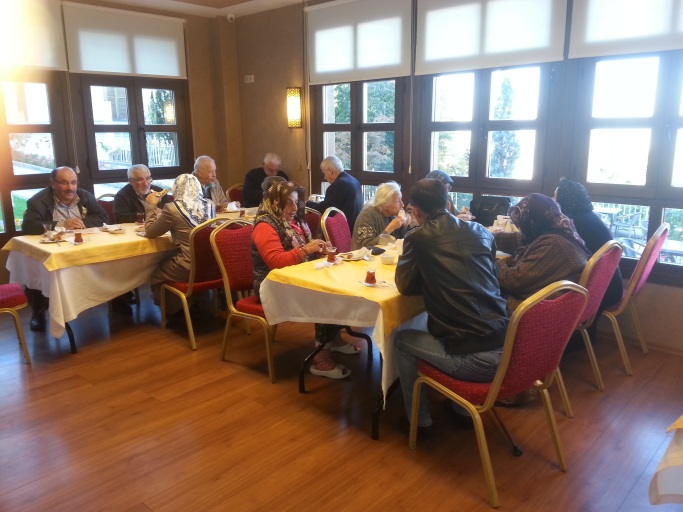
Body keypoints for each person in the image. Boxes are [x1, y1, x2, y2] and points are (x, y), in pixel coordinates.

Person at [394, 178, 509, 437]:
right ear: (448, 204)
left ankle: (419, 422)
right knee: (455, 318)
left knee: (402, 340)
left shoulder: (418, 238)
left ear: (415, 211)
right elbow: (489, 277)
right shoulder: (481, 231)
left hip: (474, 360)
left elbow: (405, 286)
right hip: (508, 344)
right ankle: (460, 409)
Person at [252, 180, 358, 379]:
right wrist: (306, 250)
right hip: (271, 285)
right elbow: (276, 262)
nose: (295, 208)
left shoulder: (295, 221)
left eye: (296, 202)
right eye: (288, 203)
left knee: (336, 286)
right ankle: (320, 360)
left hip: (296, 277)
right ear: (275, 203)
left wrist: (318, 249)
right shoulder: (265, 225)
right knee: (324, 295)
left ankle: (333, 339)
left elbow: (304, 251)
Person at [22, 166, 110, 331]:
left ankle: (116, 300)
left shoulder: (85, 196)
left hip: (83, 247)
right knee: (36, 268)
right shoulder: (37, 201)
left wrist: (80, 223)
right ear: (53, 183)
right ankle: (38, 313)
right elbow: (28, 226)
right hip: (53, 249)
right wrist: (62, 225)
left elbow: (103, 217)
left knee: (111, 260)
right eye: (64, 183)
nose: (70, 188)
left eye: (73, 182)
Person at [554, 178, 624, 345]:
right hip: (609, 286)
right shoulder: (589, 217)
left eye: (555, 196)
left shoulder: (574, 223)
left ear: (565, 199)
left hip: (598, 293)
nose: (553, 200)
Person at [496, 193, 591, 311]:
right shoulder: (559, 231)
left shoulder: (553, 245)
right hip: (552, 302)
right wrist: (485, 236)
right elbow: (517, 239)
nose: (521, 228)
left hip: (532, 309)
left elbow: (512, 281)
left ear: (532, 221)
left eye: (523, 224)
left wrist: (493, 260)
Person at [145, 173, 215, 315]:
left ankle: (176, 311)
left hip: (188, 267)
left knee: (156, 273)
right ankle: (196, 304)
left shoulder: (172, 208)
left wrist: (151, 206)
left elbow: (151, 232)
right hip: (211, 266)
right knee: (171, 257)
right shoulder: (210, 205)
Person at [305, 156, 363, 234]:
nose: (325, 177)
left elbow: (325, 210)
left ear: (330, 171)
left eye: (324, 173)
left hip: (343, 232)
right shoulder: (354, 181)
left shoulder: (339, 185)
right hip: (355, 228)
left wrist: (308, 203)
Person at [351, 181, 411, 250]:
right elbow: (365, 246)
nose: (402, 205)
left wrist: (405, 226)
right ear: (385, 203)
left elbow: (401, 241)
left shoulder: (392, 214)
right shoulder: (367, 214)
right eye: (398, 201)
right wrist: (390, 228)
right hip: (363, 256)